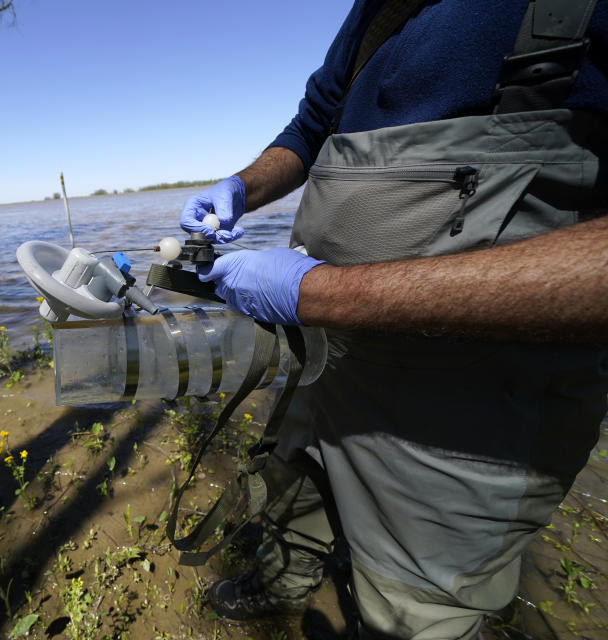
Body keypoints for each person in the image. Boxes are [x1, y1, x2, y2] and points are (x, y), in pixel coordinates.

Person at [179, 0, 608, 637]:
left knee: (416, 601)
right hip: (322, 344)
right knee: (295, 473)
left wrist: (320, 295)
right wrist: (244, 185)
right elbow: (314, 121)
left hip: (467, 391)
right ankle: (287, 580)